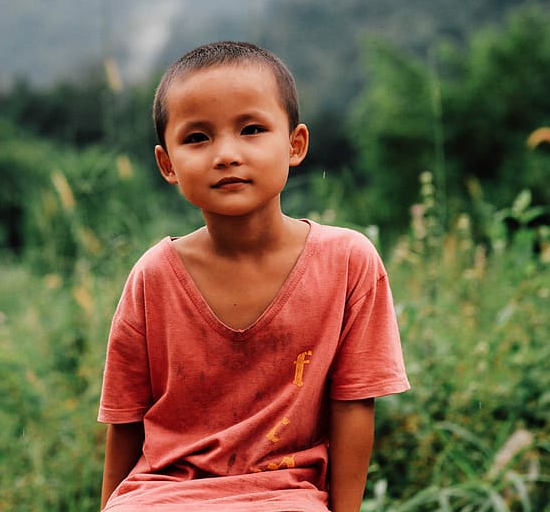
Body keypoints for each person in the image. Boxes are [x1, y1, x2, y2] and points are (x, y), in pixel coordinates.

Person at [98, 41, 409, 512]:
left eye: (251, 129)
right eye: (198, 138)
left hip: (286, 496)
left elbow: (353, 406)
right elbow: (126, 420)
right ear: (167, 164)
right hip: (161, 495)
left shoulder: (347, 262)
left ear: (294, 144)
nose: (226, 154)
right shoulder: (154, 277)